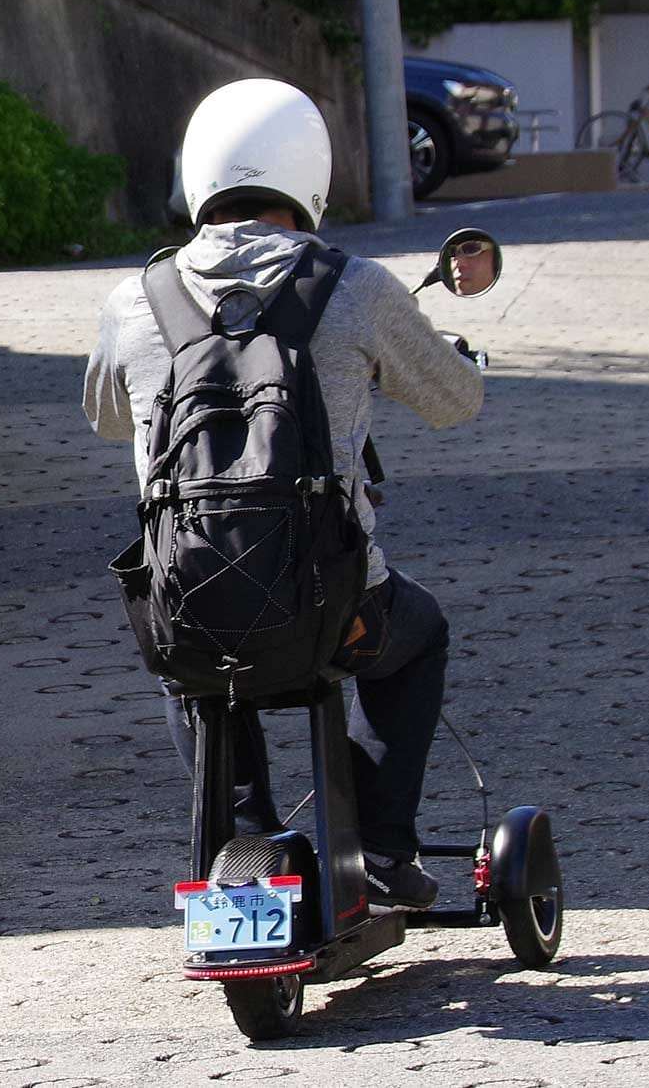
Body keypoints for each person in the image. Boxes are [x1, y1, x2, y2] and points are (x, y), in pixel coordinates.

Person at [83, 78, 484, 910]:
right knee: (424, 633)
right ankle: (380, 844)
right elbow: (455, 400)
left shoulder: (136, 297)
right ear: (311, 177)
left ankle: (249, 839)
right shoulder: (358, 286)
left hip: (191, 610)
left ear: (199, 179)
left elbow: (104, 414)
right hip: (338, 616)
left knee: (187, 674)